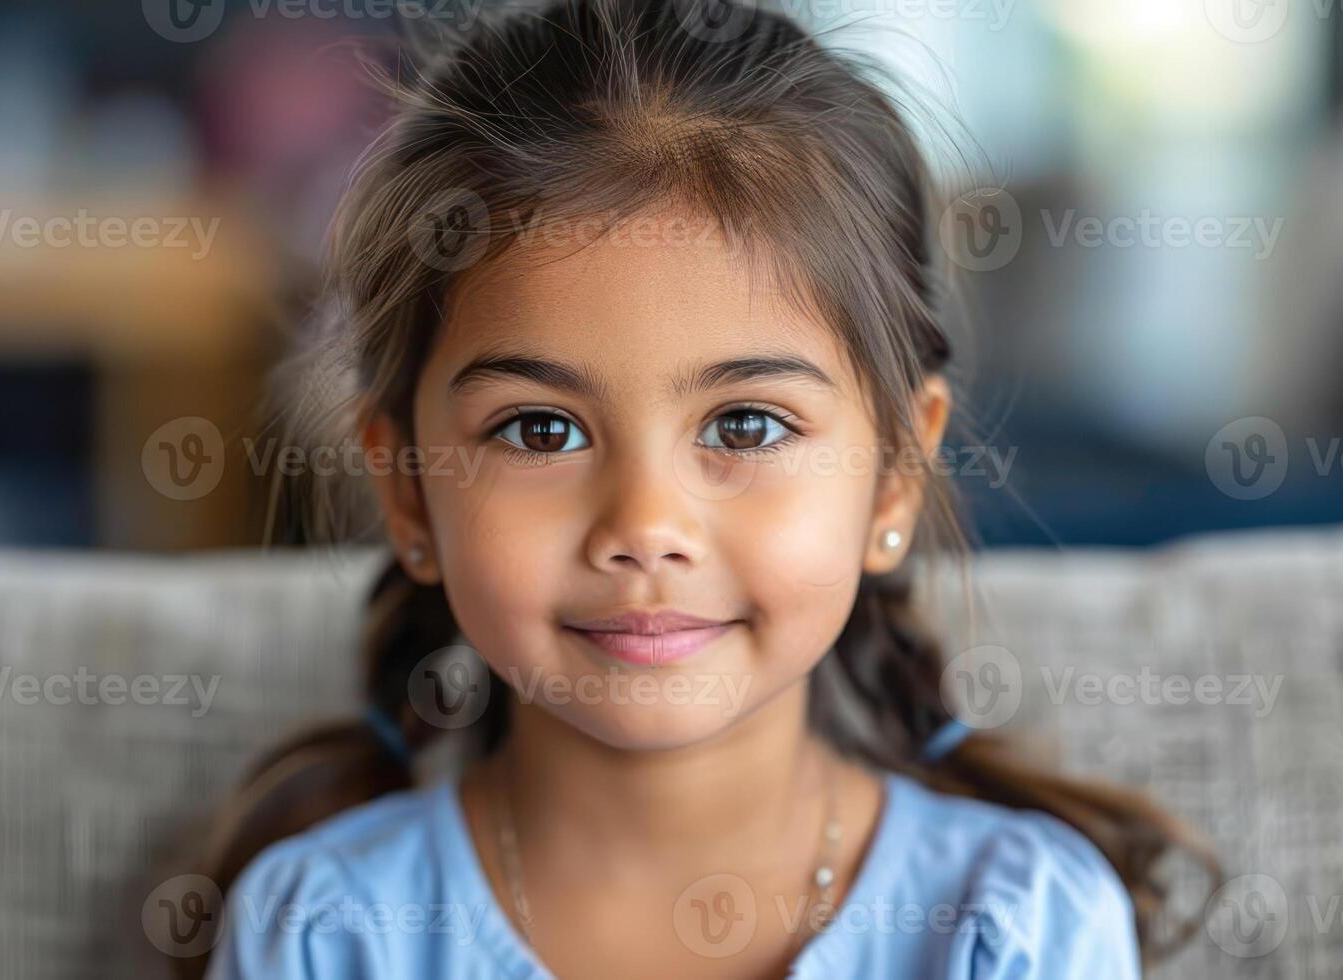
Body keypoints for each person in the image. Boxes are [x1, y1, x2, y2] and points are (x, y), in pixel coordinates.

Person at [196, 0, 1216, 975]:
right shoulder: (325, 932)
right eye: (540, 429)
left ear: (896, 476)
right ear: (408, 489)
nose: (644, 527)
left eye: (746, 424)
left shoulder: (1018, 924)